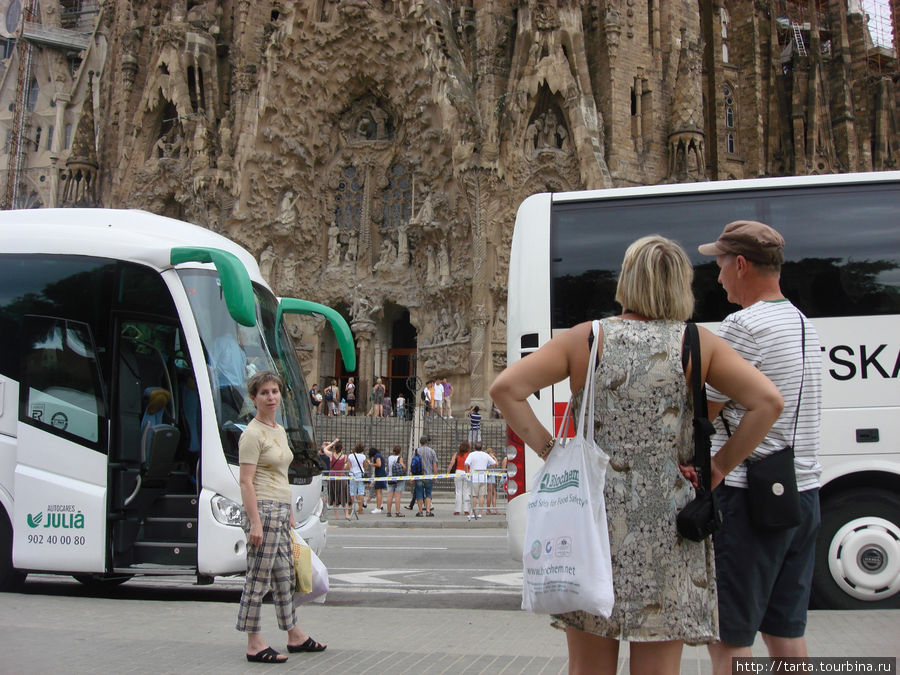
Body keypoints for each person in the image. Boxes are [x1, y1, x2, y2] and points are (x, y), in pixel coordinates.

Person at [489, 236, 783, 675]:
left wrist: (552, 451)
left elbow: (505, 390)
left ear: (626, 281)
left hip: (592, 518)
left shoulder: (587, 338)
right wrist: (718, 467)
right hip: (669, 519)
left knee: (588, 666)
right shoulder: (696, 344)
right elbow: (767, 402)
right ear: (679, 286)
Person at [697, 221, 823, 674]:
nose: (718, 277)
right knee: (785, 631)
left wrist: (717, 465)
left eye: (721, 265)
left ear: (743, 265)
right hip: (802, 491)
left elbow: (706, 412)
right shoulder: (801, 321)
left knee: (728, 636)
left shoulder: (743, 326)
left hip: (750, 494)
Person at [236, 371, 326, 663]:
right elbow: (246, 481)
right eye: (264, 393)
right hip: (261, 509)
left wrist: (288, 509)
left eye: (274, 392)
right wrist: (256, 522)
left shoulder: (278, 430)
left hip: (279, 510)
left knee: (285, 577)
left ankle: (294, 634)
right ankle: (253, 642)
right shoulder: (252, 434)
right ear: (254, 398)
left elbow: (282, 473)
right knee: (258, 579)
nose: (271, 397)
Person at [465, 441, 497, 519]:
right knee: (482, 495)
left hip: (474, 478)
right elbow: (494, 463)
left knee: (474, 496)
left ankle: (474, 511)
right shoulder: (485, 455)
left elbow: (466, 464)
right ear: (482, 447)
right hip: (483, 477)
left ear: (474, 448)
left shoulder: (471, 454)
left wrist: (467, 473)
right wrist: (487, 468)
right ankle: (480, 513)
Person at [322, 439, 351, 520]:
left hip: (332, 477)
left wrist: (332, 443)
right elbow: (346, 466)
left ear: (334, 447)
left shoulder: (331, 455)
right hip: (342, 477)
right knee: (344, 496)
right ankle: (346, 514)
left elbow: (324, 449)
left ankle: (336, 515)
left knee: (334, 496)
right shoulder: (345, 456)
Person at [413, 435, 438, 517]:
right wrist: (435, 476)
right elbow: (434, 465)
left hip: (419, 476)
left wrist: (412, 476)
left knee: (419, 493)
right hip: (428, 475)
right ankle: (428, 511)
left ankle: (420, 511)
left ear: (420, 442)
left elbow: (413, 465)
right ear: (427, 442)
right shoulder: (432, 451)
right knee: (428, 493)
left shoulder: (416, 451)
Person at [447, 441, 471, 516]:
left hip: (458, 472)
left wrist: (448, 473)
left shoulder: (457, 454)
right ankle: (466, 510)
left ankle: (457, 510)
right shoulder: (469, 455)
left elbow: (452, 462)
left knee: (458, 491)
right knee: (466, 492)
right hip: (467, 472)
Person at [385, 445, 407, 517]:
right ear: (399, 451)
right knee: (397, 496)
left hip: (390, 477)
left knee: (389, 495)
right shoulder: (400, 458)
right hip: (398, 478)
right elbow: (403, 467)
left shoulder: (389, 457)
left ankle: (388, 512)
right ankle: (397, 512)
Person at [347, 443, 368, 515]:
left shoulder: (350, 456)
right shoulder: (363, 456)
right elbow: (365, 466)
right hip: (360, 475)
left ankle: (350, 509)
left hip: (352, 475)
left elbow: (349, 466)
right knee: (361, 492)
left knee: (352, 492)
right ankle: (360, 509)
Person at [368, 447, 387, 513]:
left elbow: (379, 464)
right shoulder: (379, 455)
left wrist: (371, 464)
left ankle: (378, 508)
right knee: (379, 492)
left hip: (379, 475)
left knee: (378, 491)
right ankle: (380, 505)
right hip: (381, 475)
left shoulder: (377, 456)